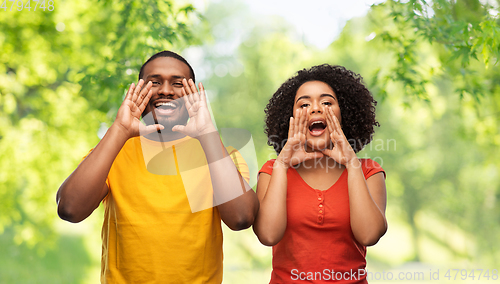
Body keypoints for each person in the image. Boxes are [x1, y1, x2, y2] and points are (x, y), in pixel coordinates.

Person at [56, 50, 259, 283]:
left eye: (177, 83)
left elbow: (242, 218)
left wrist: (207, 133)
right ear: (139, 90)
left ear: (194, 94)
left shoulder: (220, 155)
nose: (165, 90)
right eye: (154, 82)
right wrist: (120, 129)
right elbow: (69, 209)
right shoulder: (114, 152)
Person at [253, 64, 387, 283]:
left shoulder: (368, 171)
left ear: (343, 113)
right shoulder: (272, 170)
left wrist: (352, 164)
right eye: (304, 104)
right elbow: (268, 235)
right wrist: (282, 165)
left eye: (326, 102)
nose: (315, 109)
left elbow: (369, 235)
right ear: (291, 118)